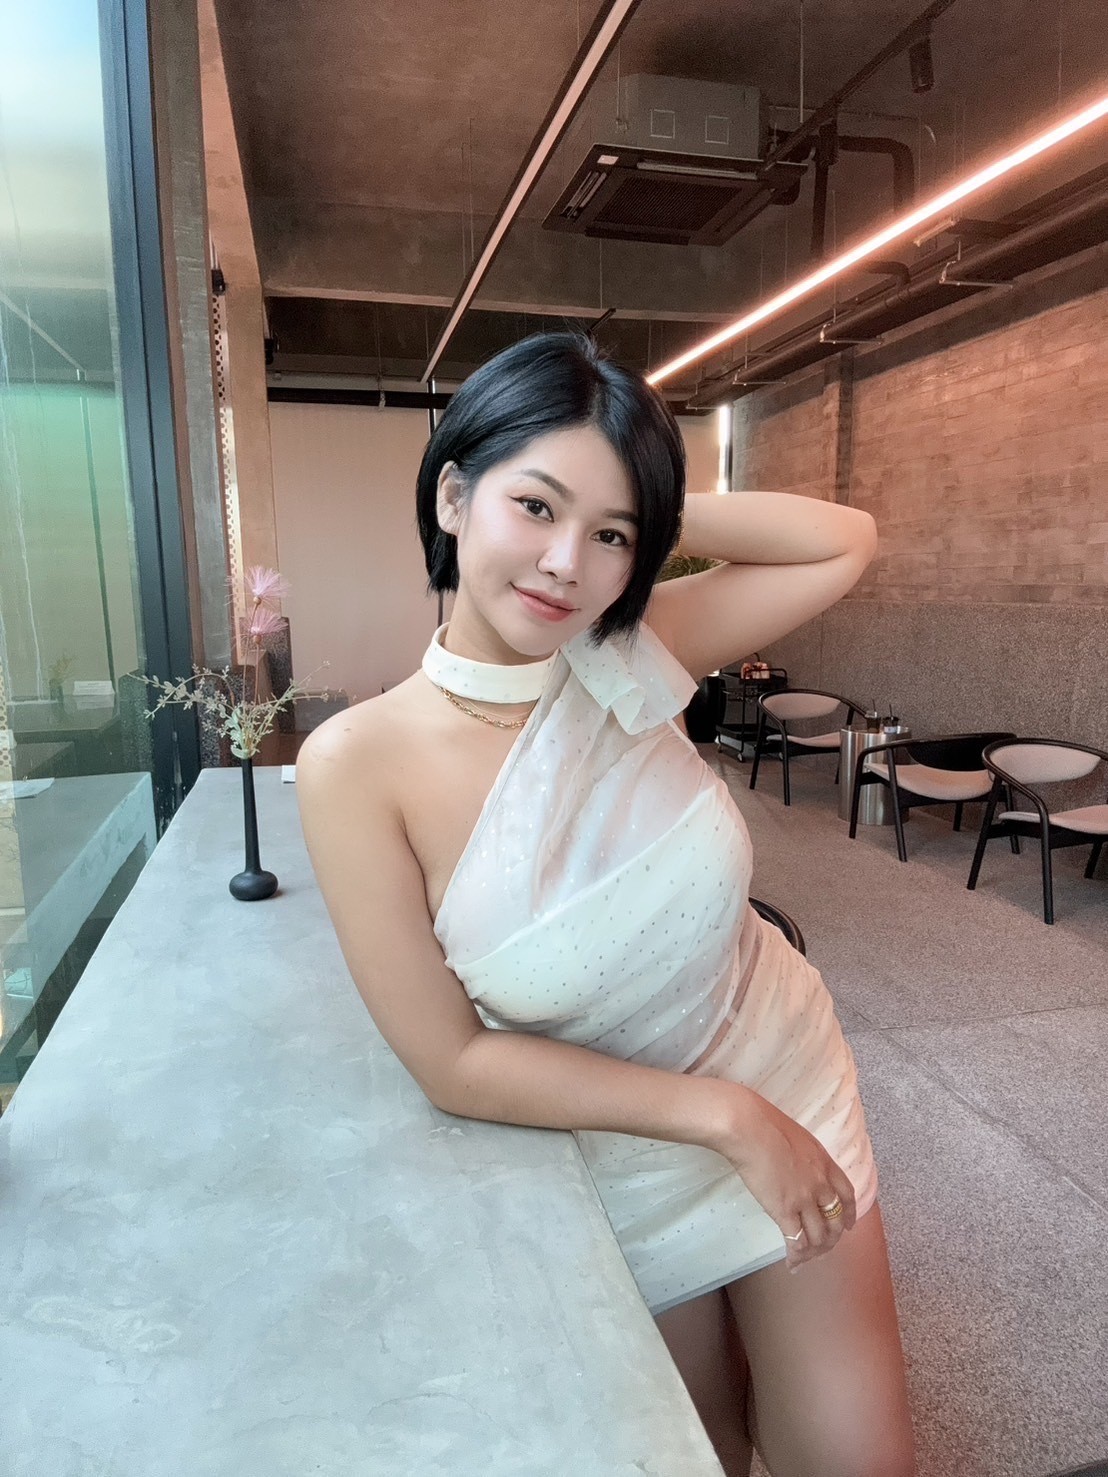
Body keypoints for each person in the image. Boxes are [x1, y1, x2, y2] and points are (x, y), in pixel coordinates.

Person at [296, 332, 915, 1477]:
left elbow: (842, 542)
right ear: (452, 495)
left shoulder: (631, 646)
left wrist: (646, 491)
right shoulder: (354, 765)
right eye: (534, 506)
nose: (564, 564)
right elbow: (453, 1062)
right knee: (696, 1453)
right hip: (615, 1156)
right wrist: (725, 1118)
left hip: (787, 1070)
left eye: (612, 534)